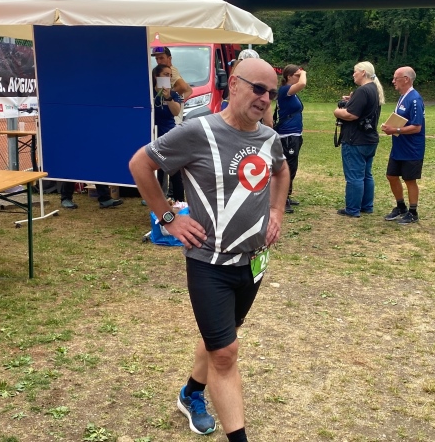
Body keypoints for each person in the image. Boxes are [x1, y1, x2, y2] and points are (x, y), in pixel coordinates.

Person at [128, 58, 289, 442]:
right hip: (209, 262)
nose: (264, 98)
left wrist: (277, 211)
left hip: (253, 262)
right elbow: (140, 164)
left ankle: (191, 393)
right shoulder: (198, 131)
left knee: (223, 336)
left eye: (271, 93)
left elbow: (281, 171)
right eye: (258, 88)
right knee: (225, 354)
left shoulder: (269, 138)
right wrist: (168, 218)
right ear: (233, 85)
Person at [333, 61, 385, 217]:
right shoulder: (374, 89)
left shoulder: (362, 90)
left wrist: (337, 112)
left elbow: (351, 115)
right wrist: (352, 100)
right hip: (369, 139)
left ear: (363, 72)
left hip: (355, 140)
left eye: (355, 71)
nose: (353, 74)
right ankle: (366, 205)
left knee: (355, 176)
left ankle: (353, 209)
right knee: (366, 175)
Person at [380, 66, 425, 224]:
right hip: (399, 147)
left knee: (409, 179)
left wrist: (395, 130)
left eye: (396, 78)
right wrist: (390, 126)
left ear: (406, 79)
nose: (393, 81)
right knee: (391, 175)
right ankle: (401, 207)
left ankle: (413, 212)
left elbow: (417, 127)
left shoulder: (415, 99)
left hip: (412, 148)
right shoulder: (402, 97)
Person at [271, 64, 307, 214]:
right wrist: (303, 73)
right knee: (288, 167)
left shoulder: (292, 92)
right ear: (288, 77)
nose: (299, 78)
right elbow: (303, 83)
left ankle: (287, 195)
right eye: (296, 75)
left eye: (299, 75)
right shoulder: (285, 90)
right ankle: (281, 198)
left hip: (294, 134)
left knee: (292, 166)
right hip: (287, 135)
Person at [152, 63, 185, 201]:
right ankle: (158, 201)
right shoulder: (150, 93)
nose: (168, 78)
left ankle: (179, 202)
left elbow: (176, 111)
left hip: (169, 134)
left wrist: (168, 97)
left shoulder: (173, 94)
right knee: (157, 170)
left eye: (170, 76)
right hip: (154, 134)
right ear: (156, 76)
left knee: (175, 170)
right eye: (165, 75)